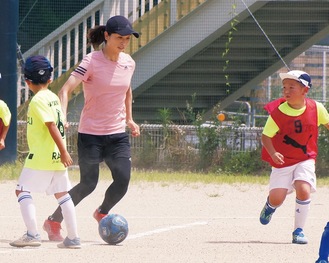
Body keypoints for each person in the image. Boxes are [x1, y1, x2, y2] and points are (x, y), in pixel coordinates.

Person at [43, 15, 140, 241]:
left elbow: (127, 91)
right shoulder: (91, 61)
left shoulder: (129, 62)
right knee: (88, 184)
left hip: (117, 134)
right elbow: (64, 91)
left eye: (127, 39)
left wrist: (130, 119)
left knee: (123, 179)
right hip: (91, 135)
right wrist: (62, 116)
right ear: (106, 36)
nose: (124, 42)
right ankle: (53, 220)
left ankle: (102, 212)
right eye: (119, 38)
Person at [10, 55, 80, 249]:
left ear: (27, 81)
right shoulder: (53, 98)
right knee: (63, 194)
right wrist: (62, 153)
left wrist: (64, 151)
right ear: (50, 79)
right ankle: (73, 237)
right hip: (57, 157)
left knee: (21, 190)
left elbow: (51, 126)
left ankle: (32, 234)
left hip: (42, 155)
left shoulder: (37, 100)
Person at [259, 70, 329, 244]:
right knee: (277, 197)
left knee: (304, 189)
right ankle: (270, 206)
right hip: (283, 162)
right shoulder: (278, 113)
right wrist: (273, 152)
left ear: (305, 90)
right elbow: (266, 136)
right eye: (284, 87)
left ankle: (298, 231)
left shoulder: (316, 108)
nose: (286, 91)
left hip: (305, 158)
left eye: (292, 87)